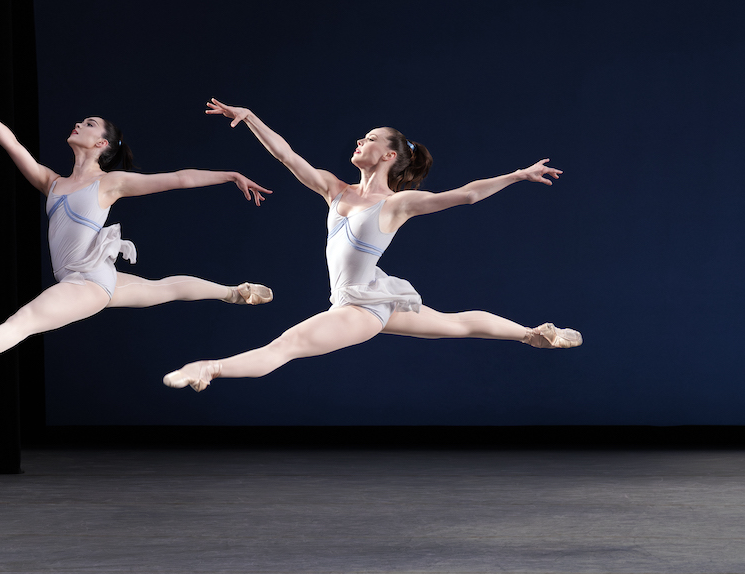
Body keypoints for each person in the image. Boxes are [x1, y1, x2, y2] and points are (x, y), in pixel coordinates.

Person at [163, 99, 581, 392]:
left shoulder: (397, 204)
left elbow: (466, 195)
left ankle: (209, 368)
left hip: (360, 308)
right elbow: (287, 156)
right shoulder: (335, 189)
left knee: (286, 346)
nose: (359, 142)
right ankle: (533, 334)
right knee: (455, 323)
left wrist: (516, 175)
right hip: (368, 297)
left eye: (370, 139)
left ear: (389, 156)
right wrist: (250, 116)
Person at [0, 88, 274, 375]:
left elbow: (178, 178)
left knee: (23, 323)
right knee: (164, 288)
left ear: (102, 144)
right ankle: (232, 293)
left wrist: (230, 175)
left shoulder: (110, 184)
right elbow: (11, 142)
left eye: (90, 124)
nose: (80, 123)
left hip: (86, 284)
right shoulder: (53, 183)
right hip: (91, 277)